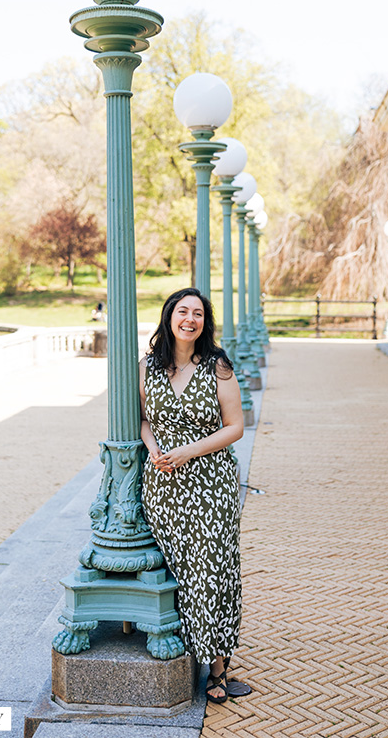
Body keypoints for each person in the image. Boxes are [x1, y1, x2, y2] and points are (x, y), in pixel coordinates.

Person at [140, 287, 249, 705]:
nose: (190, 319)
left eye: (198, 313)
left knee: (214, 571)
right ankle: (192, 654)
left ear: (205, 322)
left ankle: (218, 666)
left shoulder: (217, 366)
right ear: (169, 317)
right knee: (185, 574)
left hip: (211, 483)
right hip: (165, 487)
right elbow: (147, 421)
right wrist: (154, 450)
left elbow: (235, 426)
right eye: (182, 311)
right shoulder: (147, 367)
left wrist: (188, 451)